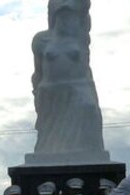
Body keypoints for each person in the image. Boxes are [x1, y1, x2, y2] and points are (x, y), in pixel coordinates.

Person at [31, 0, 105, 157]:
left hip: (78, 89)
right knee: (49, 141)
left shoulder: (81, 37)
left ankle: (91, 154)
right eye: (63, 14)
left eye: (71, 14)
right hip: (50, 92)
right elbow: (38, 71)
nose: (67, 18)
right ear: (54, 15)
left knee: (89, 108)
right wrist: (36, 92)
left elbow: (85, 5)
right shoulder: (41, 40)